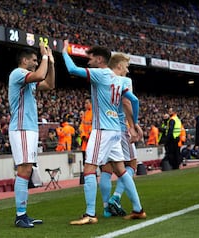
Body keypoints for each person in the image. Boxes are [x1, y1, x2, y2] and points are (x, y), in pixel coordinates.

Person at [62, 41, 145, 225]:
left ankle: (90, 213)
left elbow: (72, 70)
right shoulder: (118, 79)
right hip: (116, 130)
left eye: (90, 58)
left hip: (102, 130)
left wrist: (64, 51)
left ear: (99, 59)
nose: (88, 61)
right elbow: (134, 100)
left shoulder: (101, 74)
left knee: (90, 168)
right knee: (122, 171)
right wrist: (135, 123)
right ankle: (138, 209)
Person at [8, 42, 55, 228]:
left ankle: (23, 214)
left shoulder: (29, 79)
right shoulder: (17, 73)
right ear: (24, 60)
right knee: (24, 169)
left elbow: (49, 84)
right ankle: (20, 215)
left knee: (27, 169)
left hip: (29, 128)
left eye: (37, 60)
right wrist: (44, 56)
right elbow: (39, 75)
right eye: (33, 60)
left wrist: (51, 62)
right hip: (21, 128)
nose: (36, 63)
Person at [101, 53, 144, 218]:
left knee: (106, 169)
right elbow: (127, 103)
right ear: (119, 65)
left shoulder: (105, 79)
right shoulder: (125, 81)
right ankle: (116, 198)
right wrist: (134, 125)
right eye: (126, 65)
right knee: (131, 165)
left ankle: (106, 209)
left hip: (104, 127)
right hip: (120, 127)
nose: (128, 69)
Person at [79, 98, 92, 164]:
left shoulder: (94, 113)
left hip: (91, 139)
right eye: (85, 103)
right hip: (85, 139)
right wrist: (83, 135)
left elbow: (94, 126)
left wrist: (87, 135)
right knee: (85, 158)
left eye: (87, 103)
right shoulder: (85, 113)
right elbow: (81, 126)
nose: (85, 105)